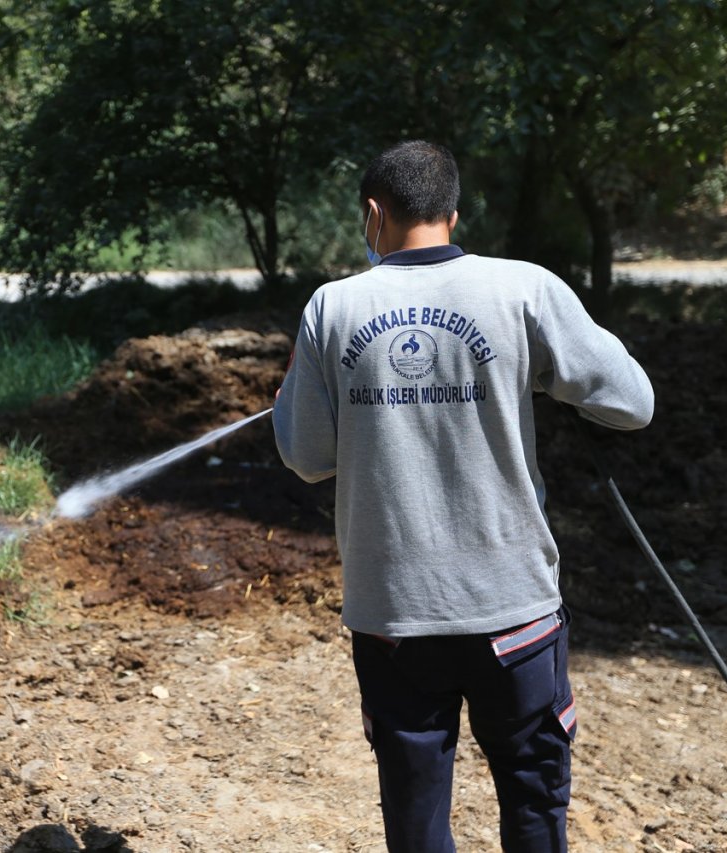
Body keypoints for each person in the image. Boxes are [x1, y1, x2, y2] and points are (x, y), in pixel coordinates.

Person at [273, 140, 654, 852]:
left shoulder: (333, 307)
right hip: (514, 613)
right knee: (535, 804)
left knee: (416, 819)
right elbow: (632, 403)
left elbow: (306, 456)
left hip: (394, 617)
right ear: (453, 211)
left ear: (372, 214)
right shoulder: (523, 288)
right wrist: (538, 374)